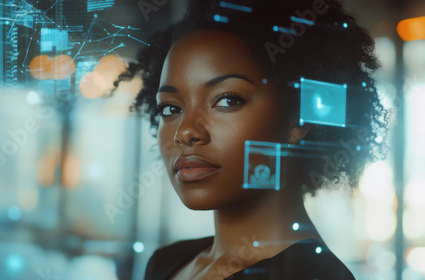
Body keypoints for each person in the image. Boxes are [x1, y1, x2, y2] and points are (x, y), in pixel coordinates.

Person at [115, 0, 388, 279]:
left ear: (299, 119)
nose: (185, 132)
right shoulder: (165, 263)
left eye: (227, 100)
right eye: (171, 109)